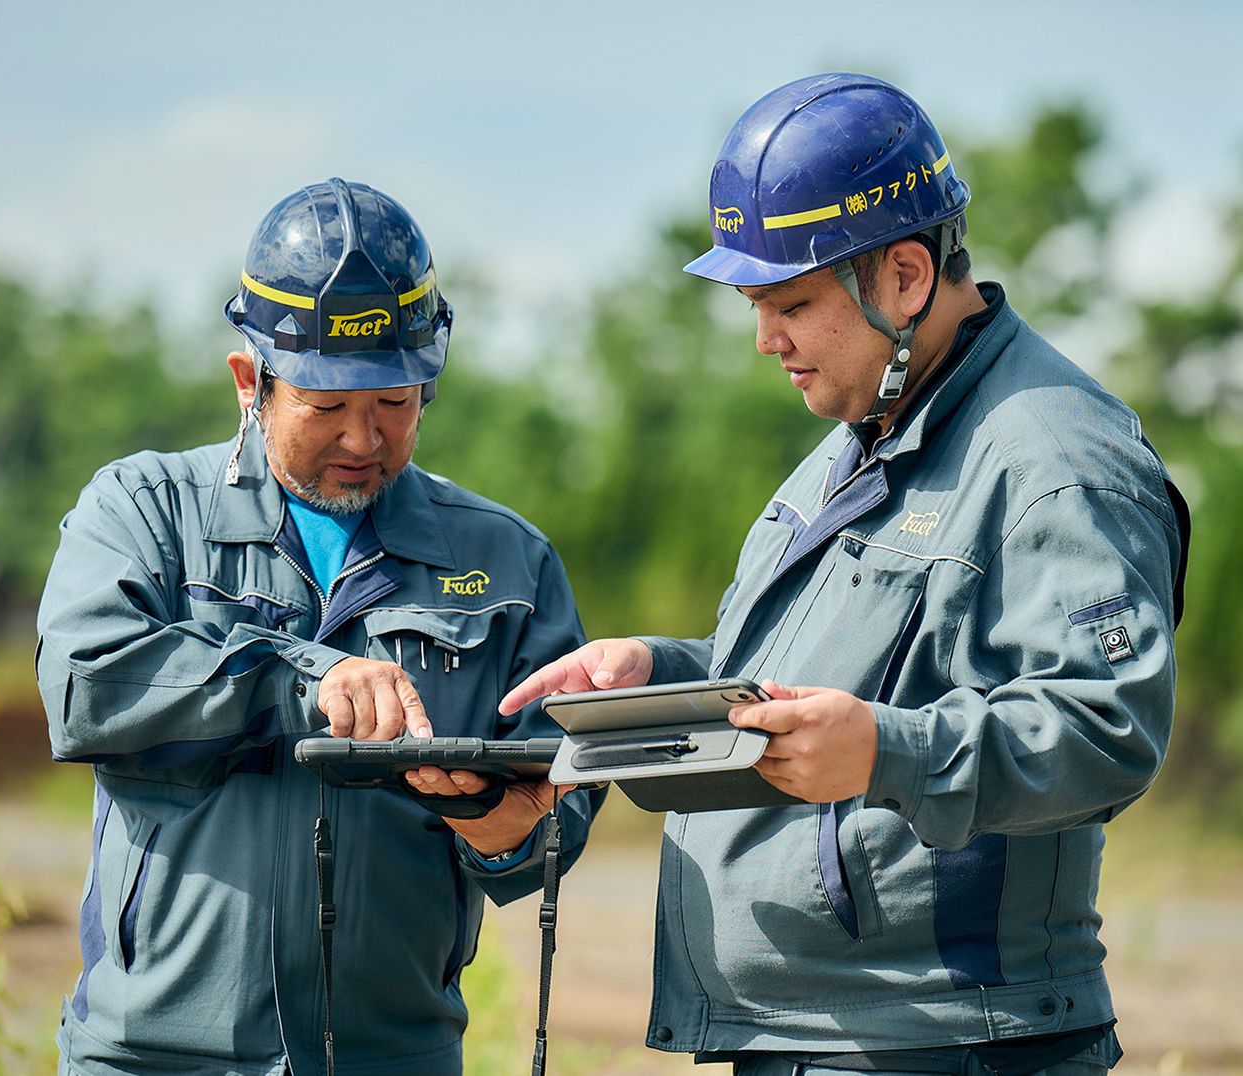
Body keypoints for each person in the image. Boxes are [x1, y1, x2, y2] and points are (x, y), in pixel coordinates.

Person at [502, 74, 1189, 1076]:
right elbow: (825, 681)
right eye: (753, 304)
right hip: (812, 1038)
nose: (763, 339)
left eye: (790, 302)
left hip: (943, 1042)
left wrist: (889, 754)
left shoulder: (1054, 456)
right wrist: (656, 672)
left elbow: (1109, 730)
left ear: (906, 276)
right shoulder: (858, 433)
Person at [37, 178, 603, 1076]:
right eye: (328, 405)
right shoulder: (142, 511)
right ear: (249, 382)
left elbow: (546, 834)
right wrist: (303, 680)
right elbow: (86, 685)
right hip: (151, 1057)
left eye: (395, 403)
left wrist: (502, 822)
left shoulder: (507, 564)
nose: (363, 439)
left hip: (396, 1056)